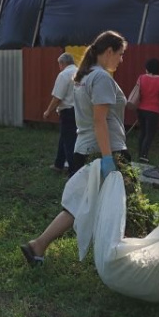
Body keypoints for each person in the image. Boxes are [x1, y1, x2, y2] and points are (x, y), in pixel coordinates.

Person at [21, 30, 129, 266]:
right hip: (103, 150)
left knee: (80, 203)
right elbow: (99, 120)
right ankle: (122, 259)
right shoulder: (100, 78)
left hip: (86, 148)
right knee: (120, 203)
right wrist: (109, 159)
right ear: (108, 51)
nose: (122, 60)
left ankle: (38, 245)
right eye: (120, 54)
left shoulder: (86, 75)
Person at [43, 52, 78, 176]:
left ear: (62, 63)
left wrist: (48, 111)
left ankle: (73, 172)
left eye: (59, 64)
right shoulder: (81, 72)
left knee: (69, 142)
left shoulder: (64, 75)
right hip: (80, 111)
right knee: (65, 137)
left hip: (68, 111)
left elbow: (57, 98)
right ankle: (59, 164)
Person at [133, 58, 159, 163]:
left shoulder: (141, 78)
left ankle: (140, 154)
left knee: (143, 132)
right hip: (153, 111)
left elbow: (137, 92)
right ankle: (144, 155)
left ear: (147, 68)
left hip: (141, 109)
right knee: (150, 134)